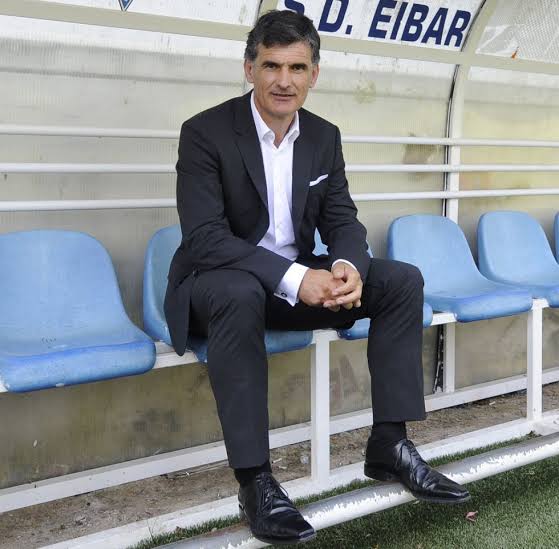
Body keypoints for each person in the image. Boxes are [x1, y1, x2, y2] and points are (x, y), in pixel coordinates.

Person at [165, 9, 469, 545]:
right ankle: (255, 480)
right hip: (218, 284)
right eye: (272, 66)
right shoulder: (204, 132)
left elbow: (343, 220)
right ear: (249, 69)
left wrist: (347, 267)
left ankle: (389, 444)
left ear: (314, 74)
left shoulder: (324, 136)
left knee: (400, 280)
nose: (284, 80)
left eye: (297, 68)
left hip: (292, 284)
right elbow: (206, 238)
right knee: (238, 290)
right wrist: (294, 276)